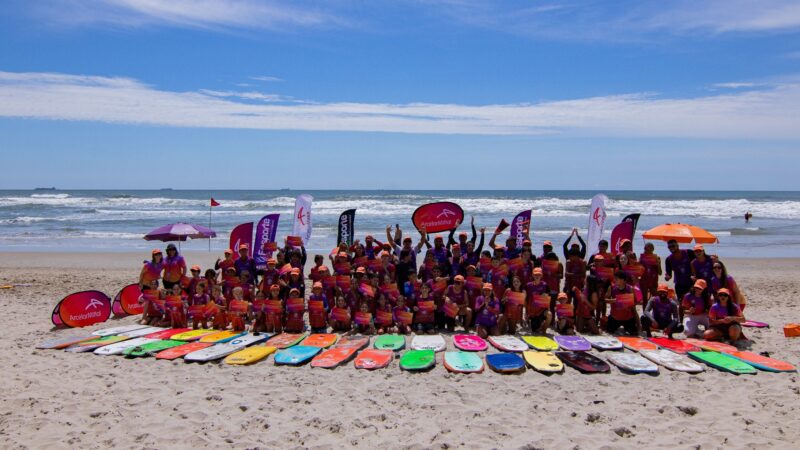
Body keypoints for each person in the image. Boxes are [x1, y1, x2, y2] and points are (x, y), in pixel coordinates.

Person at [606, 271, 641, 336]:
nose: (615, 280)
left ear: (623, 280)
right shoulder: (611, 288)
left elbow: (635, 303)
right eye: (614, 278)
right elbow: (605, 300)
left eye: (617, 279)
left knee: (634, 333)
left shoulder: (630, 289)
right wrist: (615, 300)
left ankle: (636, 326)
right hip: (615, 318)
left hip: (627, 318)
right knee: (609, 331)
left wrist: (639, 326)